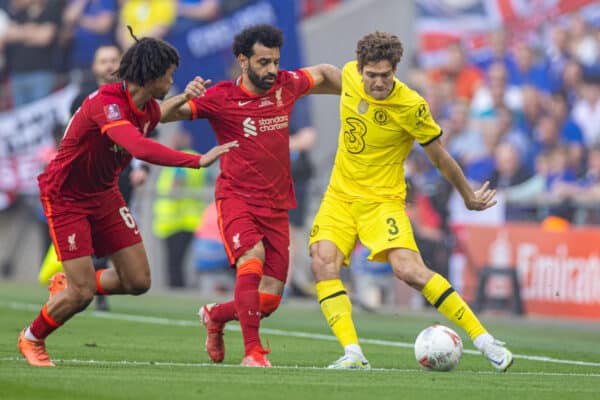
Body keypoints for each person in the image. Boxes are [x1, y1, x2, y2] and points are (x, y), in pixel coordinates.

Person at [17, 29, 238, 367]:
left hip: (104, 194)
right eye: (170, 75)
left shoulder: (143, 104)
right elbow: (138, 146)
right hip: (67, 196)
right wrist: (196, 160)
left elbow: (154, 117)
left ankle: (69, 281)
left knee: (137, 281)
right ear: (152, 76)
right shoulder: (107, 103)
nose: (172, 80)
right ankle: (32, 338)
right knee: (81, 294)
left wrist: (181, 99)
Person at [308, 32, 513, 371]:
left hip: (382, 202)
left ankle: (485, 340)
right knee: (322, 261)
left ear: (395, 71)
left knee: (409, 271)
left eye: (385, 76)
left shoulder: (411, 106)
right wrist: (282, 86)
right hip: (340, 197)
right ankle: (353, 354)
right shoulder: (349, 76)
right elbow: (327, 74)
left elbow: (440, 158)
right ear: (360, 69)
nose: (377, 83)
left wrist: (468, 196)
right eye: (370, 75)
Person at [160, 24, 341, 367]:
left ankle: (215, 316)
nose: (271, 70)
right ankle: (253, 353)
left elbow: (323, 73)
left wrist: (359, 93)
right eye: (262, 62)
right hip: (237, 199)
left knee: (269, 300)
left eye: (274, 61)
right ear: (243, 61)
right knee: (251, 258)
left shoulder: (286, 85)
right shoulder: (221, 97)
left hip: (277, 203)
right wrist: (184, 96)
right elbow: (162, 115)